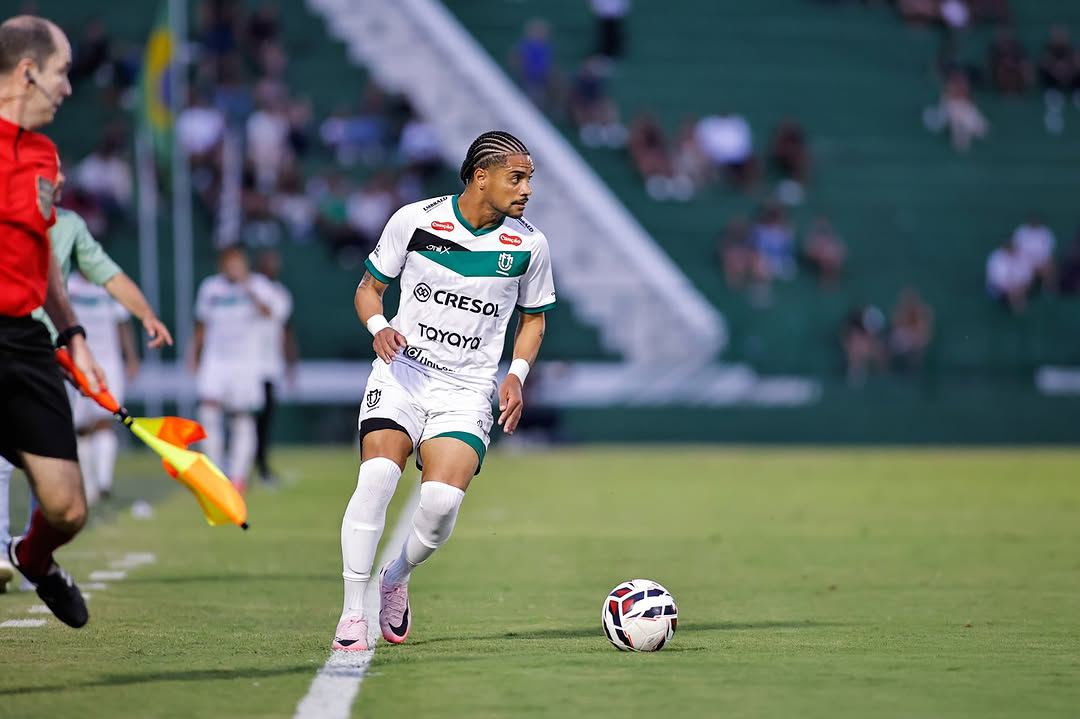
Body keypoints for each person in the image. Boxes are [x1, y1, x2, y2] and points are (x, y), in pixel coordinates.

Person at [333, 130, 555, 651]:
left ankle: (396, 577)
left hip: (466, 389)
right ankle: (352, 614)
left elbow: (534, 319)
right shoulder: (414, 220)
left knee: (438, 506)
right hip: (402, 373)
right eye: (516, 178)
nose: (526, 189)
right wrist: (378, 328)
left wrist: (517, 374)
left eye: (529, 179)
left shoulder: (529, 245)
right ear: (481, 177)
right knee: (377, 478)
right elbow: (369, 290)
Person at [0, 202, 172, 592]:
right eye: (50, 174)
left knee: (49, 464)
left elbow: (109, 274)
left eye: (59, 173)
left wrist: (146, 314)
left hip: (47, 355)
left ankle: (33, 556)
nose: (57, 178)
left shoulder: (70, 225)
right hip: (11, 347)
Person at [0, 15, 102, 624]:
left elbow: (41, 261)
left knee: (67, 510)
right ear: (28, 72)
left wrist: (73, 335)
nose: (67, 88)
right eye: (62, 73)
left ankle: (32, 557)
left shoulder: (43, 155)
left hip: (23, 340)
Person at [192, 245, 287, 495]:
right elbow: (201, 324)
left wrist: (248, 287)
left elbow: (271, 313)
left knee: (242, 417)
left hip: (246, 363)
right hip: (215, 360)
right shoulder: (210, 288)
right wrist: (194, 354)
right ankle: (213, 472)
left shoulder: (259, 285)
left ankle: (238, 476)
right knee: (208, 411)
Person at [66, 271, 138, 504]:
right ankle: (89, 487)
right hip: (79, 361)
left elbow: (122, 324)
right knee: (80, 427)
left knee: (104, 420)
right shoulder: (69, 285)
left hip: (108, 363)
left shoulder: (108, 285)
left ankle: (104, 481)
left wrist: (131, 357)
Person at [252, 249, 296, 486]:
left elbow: (285, 330)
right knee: (244, 418)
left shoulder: (280, 293)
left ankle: (261, 464)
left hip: (269, 364)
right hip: (246, 364)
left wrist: (290, 363)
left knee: (264, 419)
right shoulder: (247, 286)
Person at [1011, 214, 1056, 290]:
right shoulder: (1021, 232)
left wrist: (1041, 262)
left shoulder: (1045, 232)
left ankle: (1049, 291)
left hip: (1041, 262)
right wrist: (1029, 262)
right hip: (1024, 261)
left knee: (1049, 267)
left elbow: (1049, 252)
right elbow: (1017, 250)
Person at [986, 239, 1033, 313]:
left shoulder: (1022, 256)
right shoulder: (996, 258)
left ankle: (1022, 309)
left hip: (1020, 285)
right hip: (999, 288)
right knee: (1013, 290)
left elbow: (1027, 274)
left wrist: (1021, 284)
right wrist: (1011, 287)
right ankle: (1015, 309)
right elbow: (997, 280)